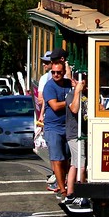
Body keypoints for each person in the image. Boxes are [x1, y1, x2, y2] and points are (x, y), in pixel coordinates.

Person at [40, 59, 77, 202]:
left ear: (63, 72)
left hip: (68, 125)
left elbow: (78, 93)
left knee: (69, 157)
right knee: (58, 158)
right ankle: (63, 190)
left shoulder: (69, 84)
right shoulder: (50, 87)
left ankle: (68, 183)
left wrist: (78, 88)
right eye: (53, 72)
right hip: (53, 127)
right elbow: (54, 106)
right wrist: (71, 101)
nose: (56, 75)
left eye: (59, 72)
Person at [64, 70, 91, 212]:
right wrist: (77, 92)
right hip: (74, 134)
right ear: (74, 82)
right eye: (81, 80)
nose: (83, 83)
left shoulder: (88, 95)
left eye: (85, 80)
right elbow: (74, 109)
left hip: (84, 132)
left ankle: (70, 193)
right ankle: (81, 193)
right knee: (81, 162)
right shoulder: (70, 95)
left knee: (75, 163)